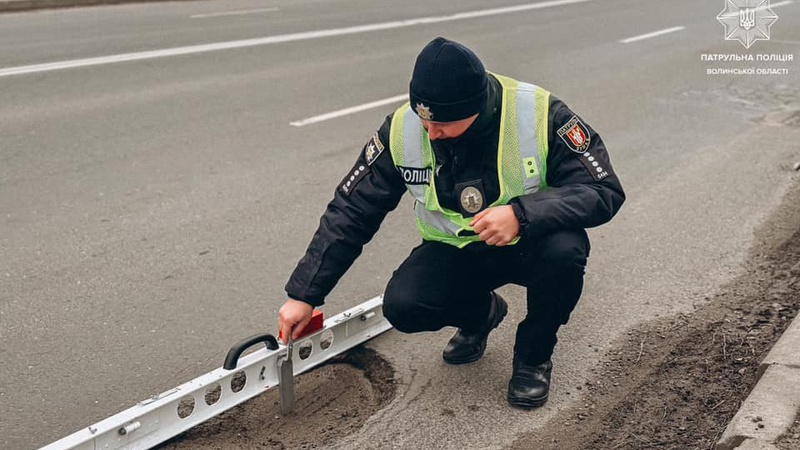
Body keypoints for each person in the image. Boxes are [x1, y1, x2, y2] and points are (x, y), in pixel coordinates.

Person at [279, 37, 625, 408]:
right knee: (404, 306)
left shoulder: (539, 113)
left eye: (442, 123)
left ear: (475, 108)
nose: (430, 132)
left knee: (566, 250)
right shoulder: (402, 129)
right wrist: (305, 294)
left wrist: (522, 215)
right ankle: (482, 315)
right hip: (455, 251)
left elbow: (602, 189)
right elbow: (352, 210)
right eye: (423, 118)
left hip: (530, 245)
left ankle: (534, 356)